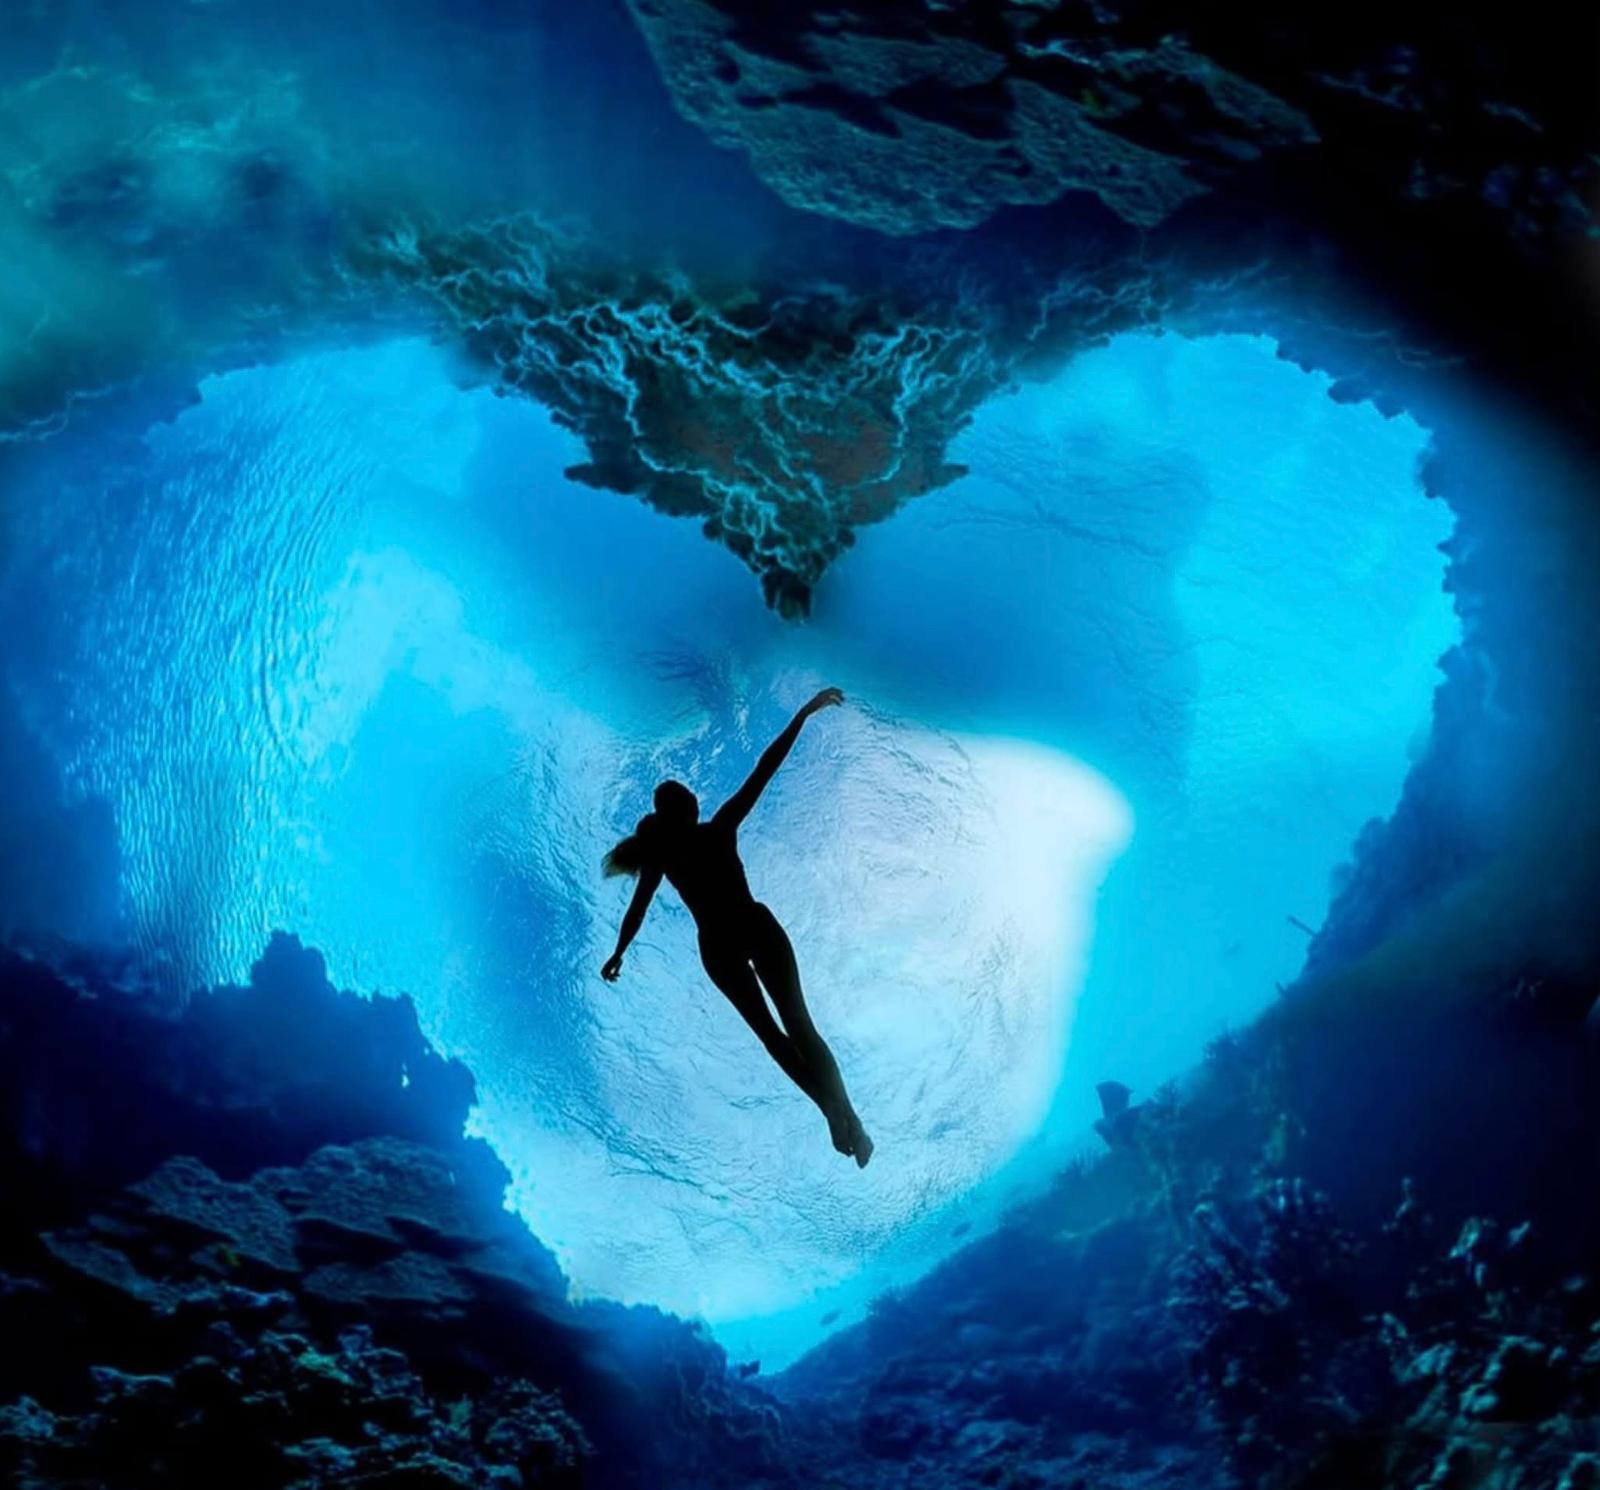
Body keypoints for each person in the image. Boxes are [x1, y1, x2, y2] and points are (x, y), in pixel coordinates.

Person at [600, 687, 873, 1167]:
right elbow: (763, 769)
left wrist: (620, 951)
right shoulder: (703, 836)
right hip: (743, 931)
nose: (692, 801)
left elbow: (766, 768)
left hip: (730, 940)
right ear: (681, 812)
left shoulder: (678, 850)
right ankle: (840, 1110)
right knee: (791, 1030)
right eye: (686, 800)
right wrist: (803, 715)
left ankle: (838, 1110)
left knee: (783, 1033)